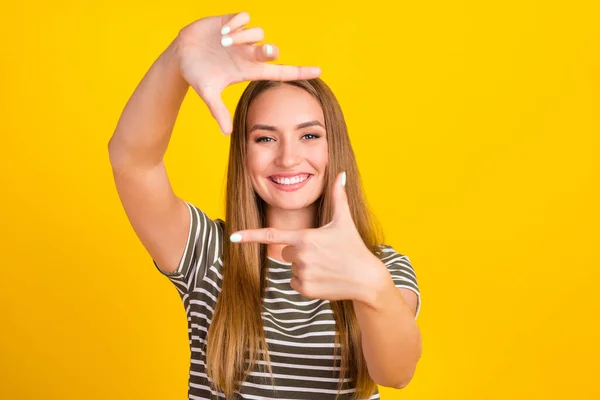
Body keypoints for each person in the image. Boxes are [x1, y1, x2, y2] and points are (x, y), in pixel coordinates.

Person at [108, 11, 422, 400]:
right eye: (265, 139)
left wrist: (371, 285)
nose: (289, 158)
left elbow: (396, 373)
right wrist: (177, 59)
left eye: (309, 135)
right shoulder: (209, 256)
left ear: (334, 147)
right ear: (243, 152)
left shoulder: (384, 268)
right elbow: (132, 161)